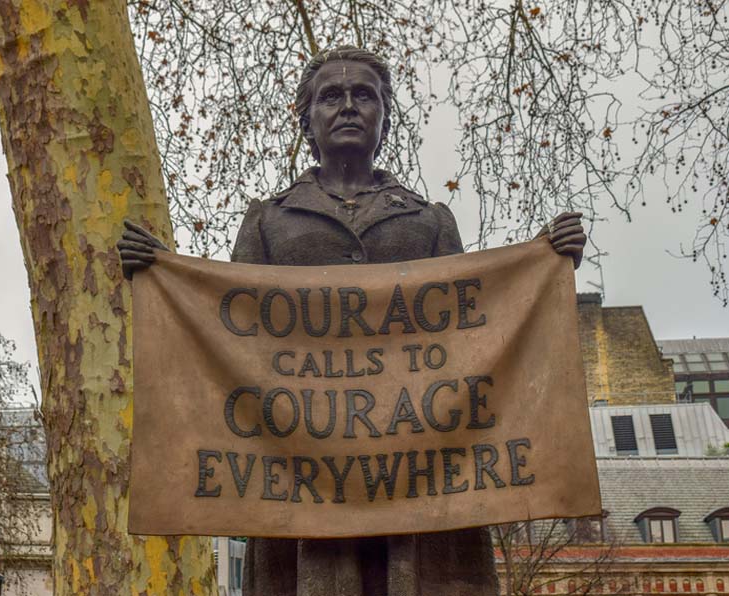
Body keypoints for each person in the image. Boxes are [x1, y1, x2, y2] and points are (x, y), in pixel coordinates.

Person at [119, 46, 585, 596]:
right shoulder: (268, 222)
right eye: (330, 96)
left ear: (384, 116)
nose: (347, 107)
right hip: (304, 491)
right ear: (307, 118)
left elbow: (479, 331)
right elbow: (226, 334)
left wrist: (543, 264)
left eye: (364, 95)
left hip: (422, 490)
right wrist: (160, 274)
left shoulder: (430, 221)